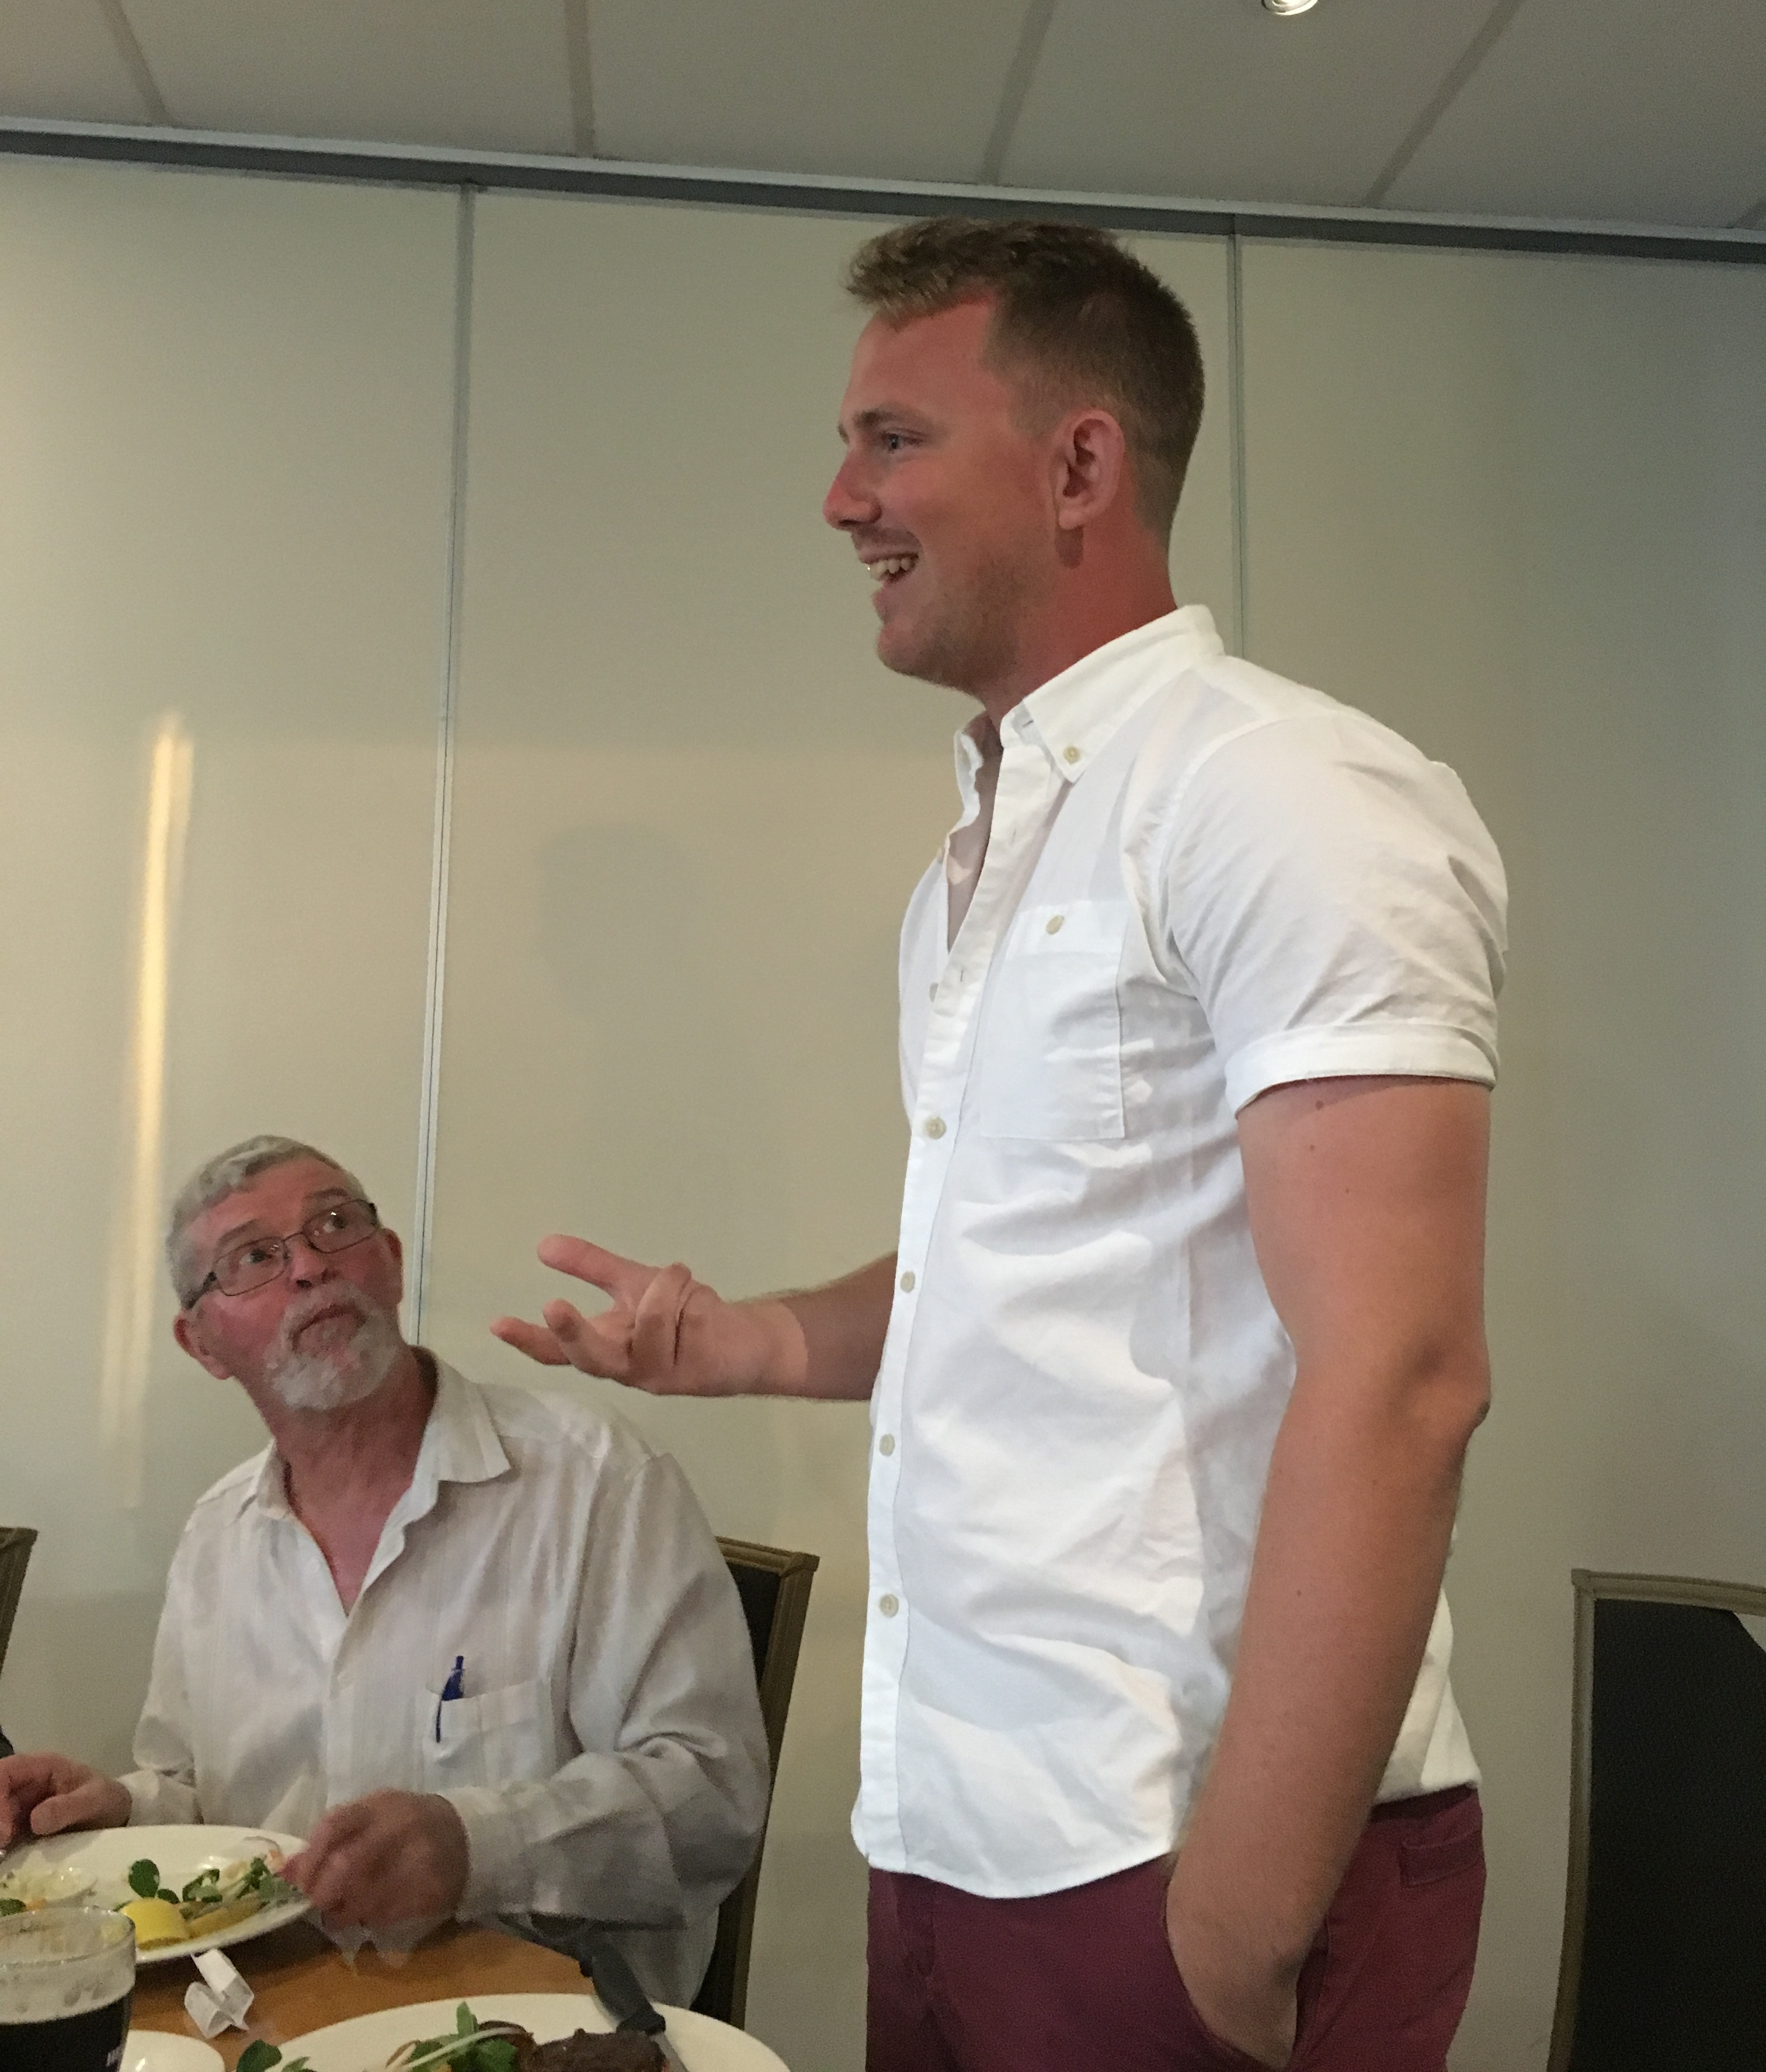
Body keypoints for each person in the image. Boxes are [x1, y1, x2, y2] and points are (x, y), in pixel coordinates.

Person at [493, 218, 1507, 2071]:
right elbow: (1026, 1260)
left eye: (892, 440)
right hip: (958, 1833)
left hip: (1181, 1855)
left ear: (1080, 467)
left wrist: (1232, 1930)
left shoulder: (1277, 791)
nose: (839, 499)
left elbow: (1408, 1375)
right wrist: (748, 1343)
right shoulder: (978, 865)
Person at [0, 1136, 769, 2004]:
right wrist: (120, 1814)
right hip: (279, 2021)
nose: (310, 1268)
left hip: (541, 2030)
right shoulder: (218, 1535)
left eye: (334, 1224)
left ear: (392, 1263)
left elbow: (714, 1802)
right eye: (254, 1257)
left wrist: (477, 1847)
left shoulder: (595, 1481)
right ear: (202, 1343)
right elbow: (200, 1803)